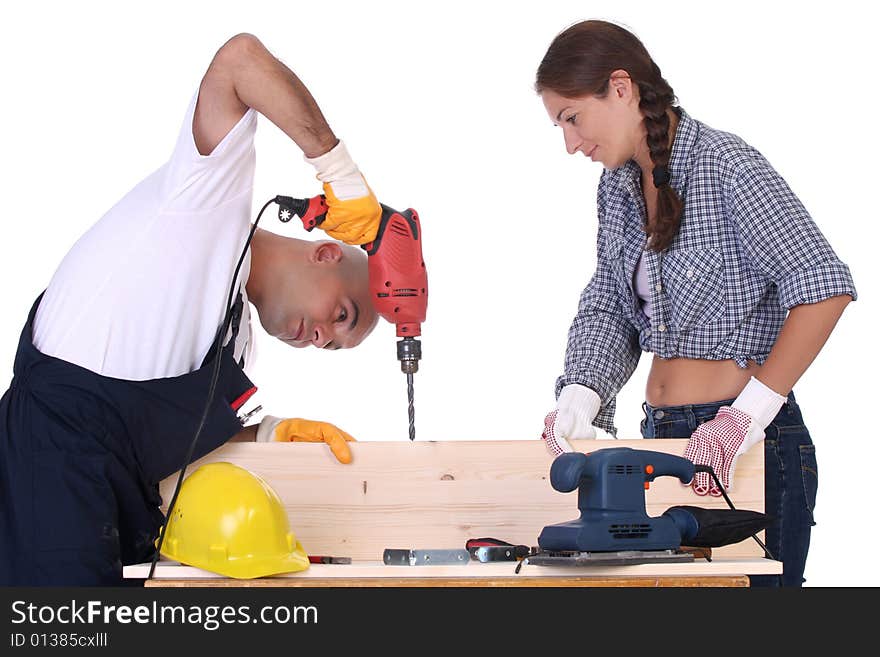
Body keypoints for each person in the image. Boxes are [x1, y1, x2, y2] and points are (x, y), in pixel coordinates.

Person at [0, 33, 383, 586]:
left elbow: (166, 432)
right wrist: (339, 170)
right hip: (51, 459)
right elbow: (240, 61)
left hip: (104, 498)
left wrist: (269, 434)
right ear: (326, 253)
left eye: (333, 345)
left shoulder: (233, 339)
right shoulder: (206, 201)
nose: (322, 338)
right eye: (343, 316)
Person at [535, 20, 856, 587]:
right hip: (662, 440)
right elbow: (611, 303)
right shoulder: (617, 189)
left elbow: (824, 285)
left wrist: (747, 416)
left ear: (620, 87)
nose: (569, 143)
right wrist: (581, 393)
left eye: (571, 118)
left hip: (751, 447)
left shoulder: (728, 167)